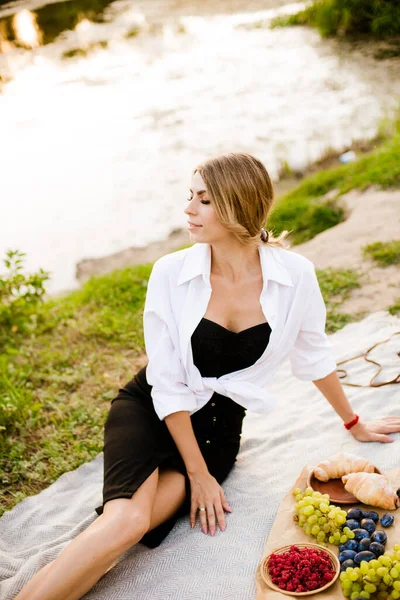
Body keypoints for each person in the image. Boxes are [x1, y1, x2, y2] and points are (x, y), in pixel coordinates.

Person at [15, 152, 400, 600]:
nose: (188, 210)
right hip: (152, 408)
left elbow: (313, 355)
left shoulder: (296, 277)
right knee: (126, 521)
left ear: (238, 205)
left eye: (203, 200)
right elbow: (166, 381)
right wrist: (198, 475)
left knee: (128, 529)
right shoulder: (171, 273)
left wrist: (353, 422)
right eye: (189, 197)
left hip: (218, 430)